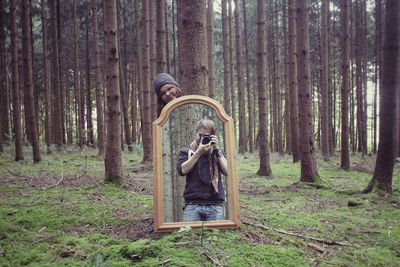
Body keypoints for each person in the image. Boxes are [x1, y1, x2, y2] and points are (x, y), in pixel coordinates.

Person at [176, 119, 228, 222]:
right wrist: (198, 153)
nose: (202, 138)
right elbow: (182, 170)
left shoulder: (218, 152)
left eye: (207, 136)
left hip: (215, 205)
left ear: (213, 136)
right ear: (195, 134)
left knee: (216, 237)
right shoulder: (187, 151)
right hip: (192, 205)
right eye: (200, 135)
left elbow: (228, 171)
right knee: (190, 237)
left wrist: (217, 149)